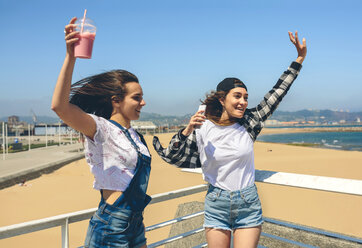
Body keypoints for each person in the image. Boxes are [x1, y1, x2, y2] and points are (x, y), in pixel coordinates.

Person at [153, 31, 307, 248]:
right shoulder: (203, 125)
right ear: (222, 99)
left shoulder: (250, 122)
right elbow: (172, 157)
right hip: (216, 203)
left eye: (245, 97)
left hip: (248, 203)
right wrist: (187, 130)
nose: (243, 102)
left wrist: (298, 60)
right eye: (237, 96)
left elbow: (277, 92)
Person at [52, 17, 151, 248]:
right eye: (136, 97)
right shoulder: (100, 129)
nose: (143, 102)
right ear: (116, 101)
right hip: (112, 226)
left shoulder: (135, 136)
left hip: (136, 223)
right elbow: (60, 106)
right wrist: (71, 57)